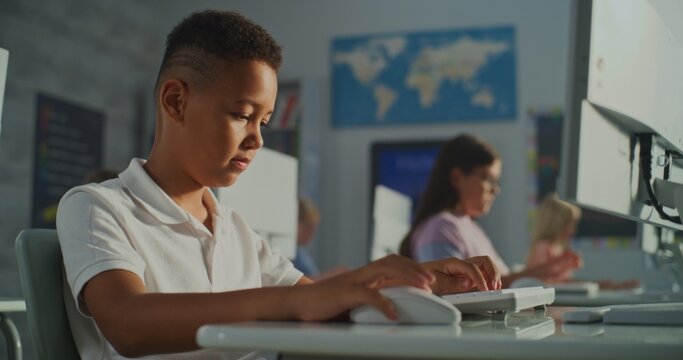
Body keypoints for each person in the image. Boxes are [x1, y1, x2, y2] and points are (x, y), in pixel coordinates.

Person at [56, 10, 502, 359]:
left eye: (264, 120)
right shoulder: (98, 207)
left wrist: (424, 286)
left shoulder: (235, 229)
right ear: (176, 101)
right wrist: (296, 302)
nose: (257, 139)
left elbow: (324, 302)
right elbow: (129, 324)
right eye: (241, 115)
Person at [399, 133, 581, 287]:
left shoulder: (470, 227)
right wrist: (540, 272)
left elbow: (502, 279)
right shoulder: (441, 228)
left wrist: (545, 271)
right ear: (456, 178)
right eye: (488, 179)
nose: (495, 189)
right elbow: (449, 291)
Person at [528, 192, 639, 288]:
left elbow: (565, 282)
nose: (573, 230)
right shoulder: (543, 246)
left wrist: (603, 285)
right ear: (557, 224)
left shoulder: (558, 248)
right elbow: (543, 279)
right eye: (570, 224)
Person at [293, 197, 348, 280]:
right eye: (308, 227)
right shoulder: (289, 255)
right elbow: (293, 284)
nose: (311, 234)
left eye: (313, 229)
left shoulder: (301, 253)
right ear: (295, 223)